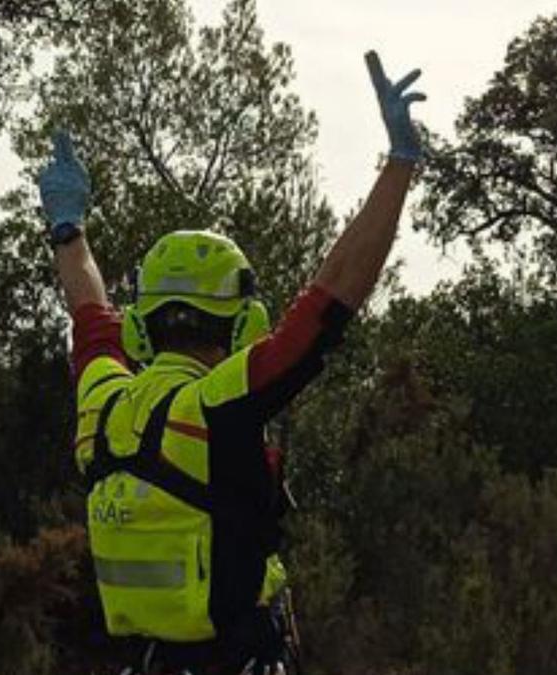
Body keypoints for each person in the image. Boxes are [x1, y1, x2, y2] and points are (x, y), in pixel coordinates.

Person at [40, 50, 425, 675]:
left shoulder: (103, 400)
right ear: (244, 322)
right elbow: (330, 301)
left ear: (142, 325)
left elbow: (88, 309)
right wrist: (400, 167)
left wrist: (67, 227)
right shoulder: (220, 404)